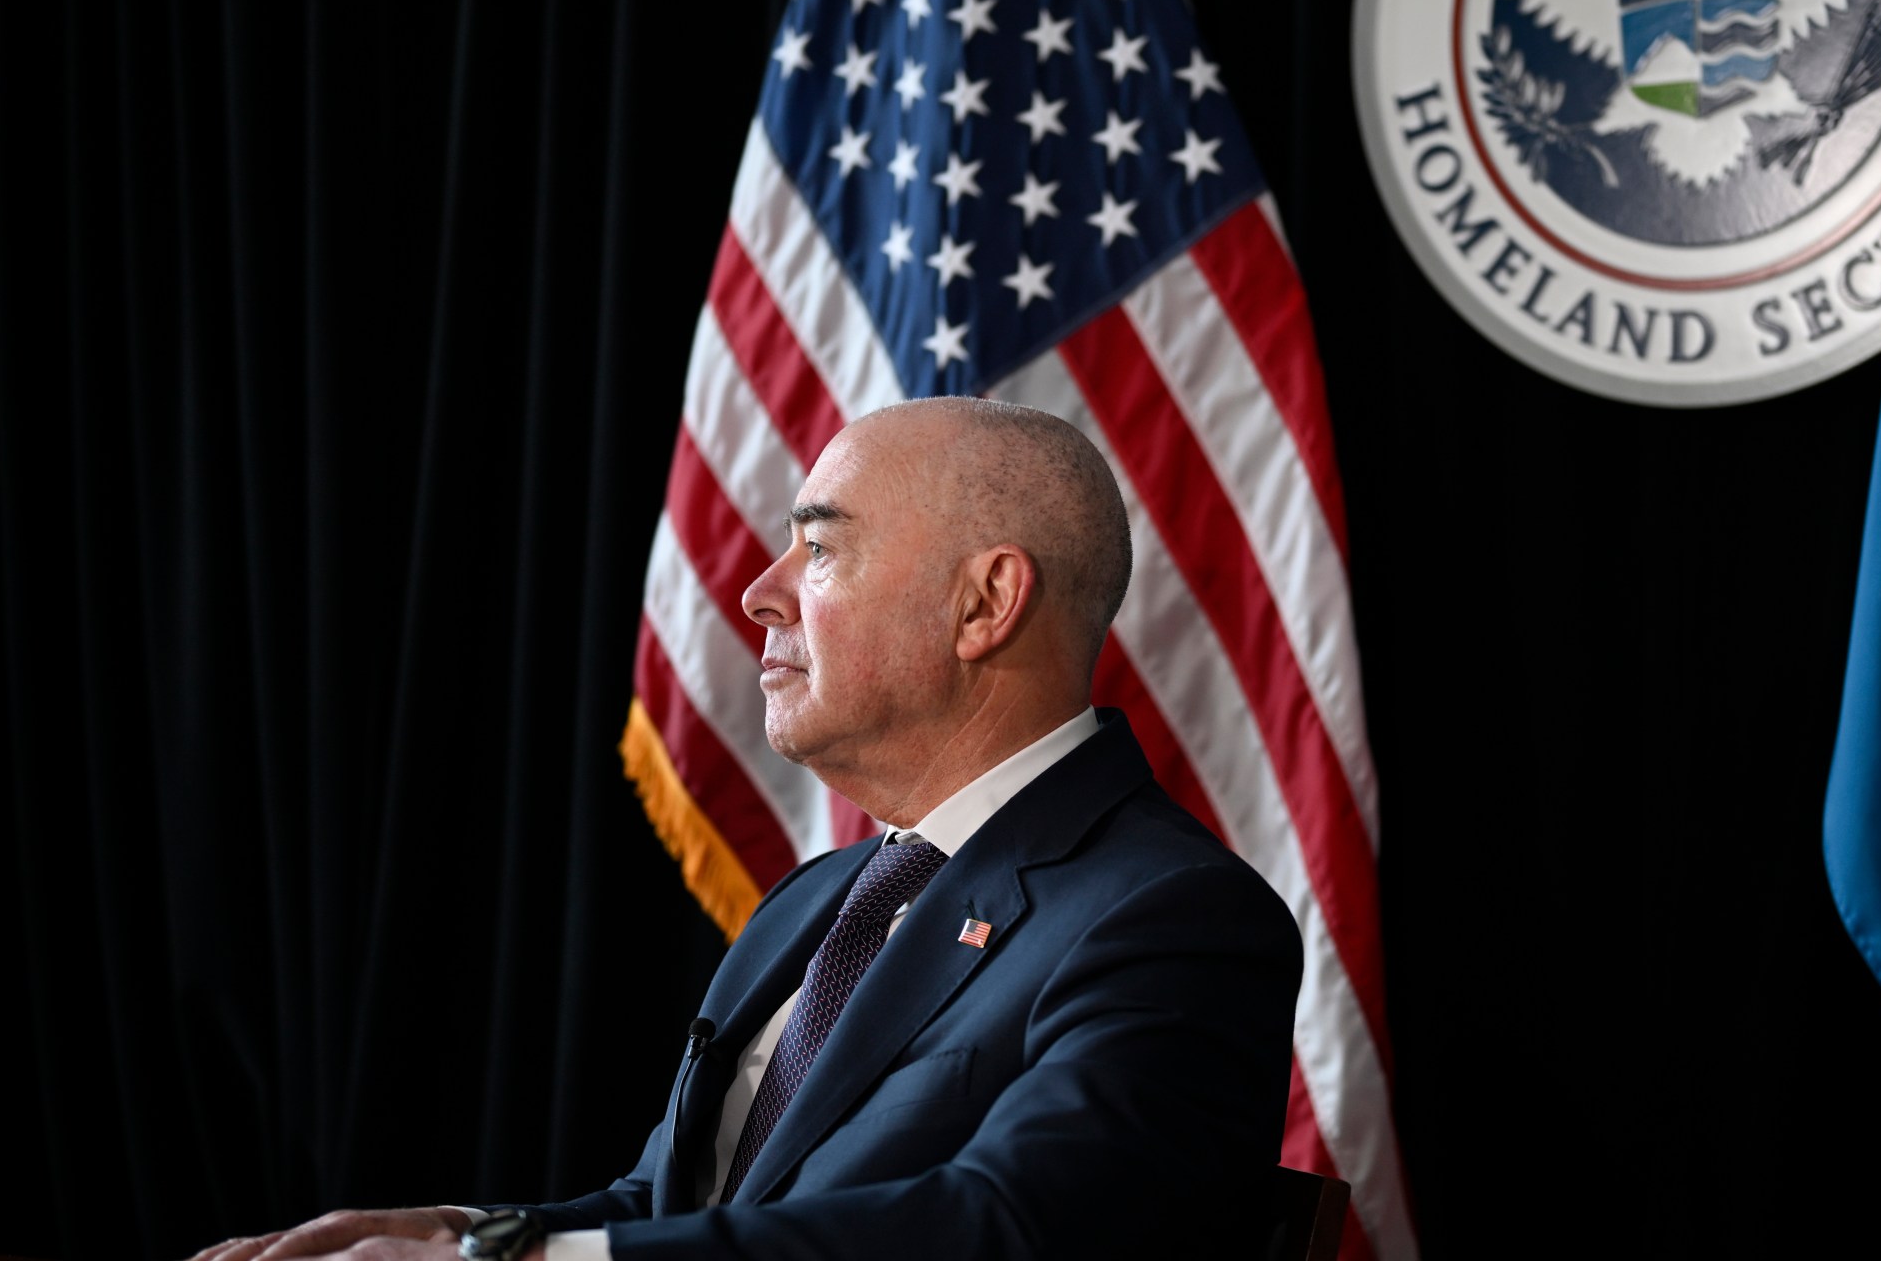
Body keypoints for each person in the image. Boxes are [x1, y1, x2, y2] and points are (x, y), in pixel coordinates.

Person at [191, 397, 1303, 1261]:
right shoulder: (818, 901)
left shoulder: (1168, 918)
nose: (759, 594)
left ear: (984, 605)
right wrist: (462, 1232)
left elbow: (1011, 1230)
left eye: (819, 550)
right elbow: (673, 1207)